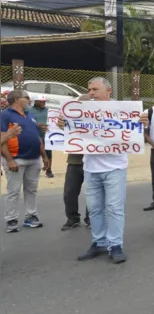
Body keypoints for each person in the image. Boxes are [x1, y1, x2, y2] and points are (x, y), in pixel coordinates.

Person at [75, 77, 145, 264]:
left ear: (108, 91)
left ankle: (115, 245)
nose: (91, 93)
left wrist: (141, 122)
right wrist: (61, 124)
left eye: (95, 89)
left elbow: (134, 131)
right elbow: (71, 130)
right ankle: (99, 242)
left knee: (114, 208)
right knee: (95, 208)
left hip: (114, 168)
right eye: (89, 89)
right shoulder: (83, 110)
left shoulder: (122, 110)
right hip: (91, 167)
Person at [1, 89, 50, 233]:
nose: (29, 100)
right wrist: (9, 160)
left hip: (34, 159)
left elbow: (37, 137)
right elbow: (2, 139)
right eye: (27, 97)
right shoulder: (5, 115)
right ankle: (11, 219)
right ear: (17, 99)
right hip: (16, 159)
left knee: (31, 189)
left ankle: (31, 216)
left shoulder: (29, 114)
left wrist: (44, 156)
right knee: (13, 190)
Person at [62, 94, 91, 231]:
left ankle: (91, 218)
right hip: (75, 160)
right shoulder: (70, 119)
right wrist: (60, 126)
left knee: (92, 192)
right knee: (70, 192)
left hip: (93, 161)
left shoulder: (99, 120)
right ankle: (72, 218)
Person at [28, 95, 54, 178]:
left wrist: (49, 127)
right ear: (35, 101)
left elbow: (53, 121)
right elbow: (26, 121)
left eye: (44, 101)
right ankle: (31, 170)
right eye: (41, 101)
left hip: (46, 136)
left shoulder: (49, 111)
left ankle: (49, 170)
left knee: (48, 153)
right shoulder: (28, 110)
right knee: (33, 153)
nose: (43, 103)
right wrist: (36, 125)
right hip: (34, 135)